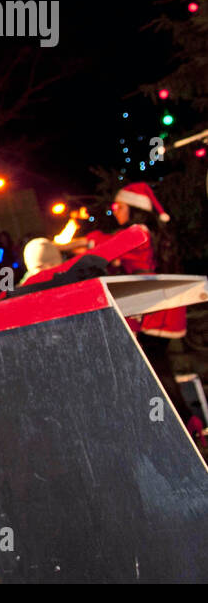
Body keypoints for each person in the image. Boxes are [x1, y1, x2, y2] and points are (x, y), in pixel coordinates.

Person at [111, 182, 204, 437]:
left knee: (156, 370)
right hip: (161, 309)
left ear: (134, 207)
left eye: (118, 206)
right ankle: (188, 424)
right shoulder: (149, 231)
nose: (115, 211)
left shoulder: (136, 232)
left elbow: (103, 252)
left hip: (154, 311)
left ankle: (184, 425)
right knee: (159, 368)